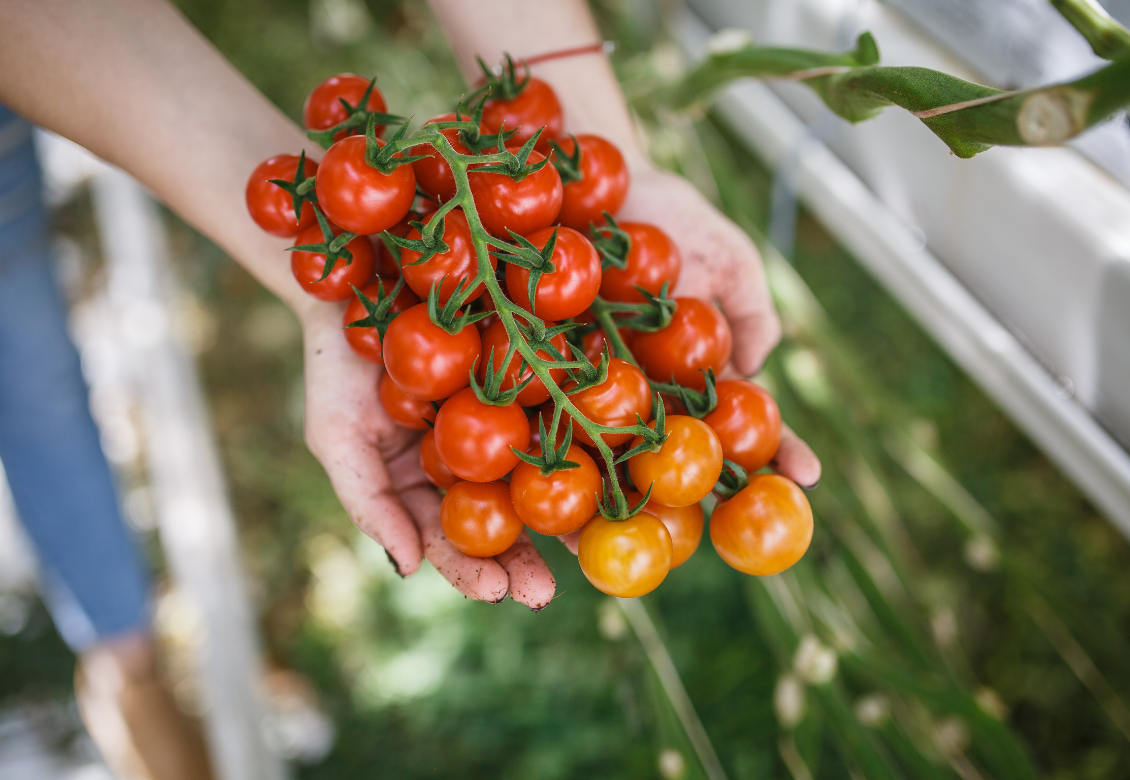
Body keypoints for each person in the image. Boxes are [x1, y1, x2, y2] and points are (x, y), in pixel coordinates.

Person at [0, 0, 821, 774]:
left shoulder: (502, 274)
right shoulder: (500, 287)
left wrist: (595, 146)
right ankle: (123, 652)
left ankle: (120, 651)